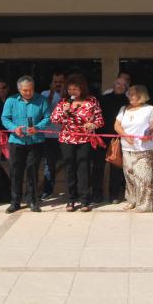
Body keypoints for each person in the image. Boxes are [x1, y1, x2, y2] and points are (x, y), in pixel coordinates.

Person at [50, 73, 104, 212]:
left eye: (75, 89)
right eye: (70, 89)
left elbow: (99, 120)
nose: (72, 92)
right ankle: (71, 199)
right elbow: (54, 119)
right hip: (67, 139)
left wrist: (93, 125)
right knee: (70, 168)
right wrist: (65, 112)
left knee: (84, 168)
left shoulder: (91, 100)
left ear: (82, 88)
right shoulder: (63, 102)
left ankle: (85, 200)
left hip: (85, 139)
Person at [1, 76, 52, 213]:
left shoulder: (41, 100)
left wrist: (38, 127)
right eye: (25, 90)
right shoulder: (11, 100)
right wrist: (13, 128)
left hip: (35, 141)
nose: (28, 93)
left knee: (33, 172)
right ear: (19, 90)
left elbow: (48, 117)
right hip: (16, 142)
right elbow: (5, 118)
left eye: (30, 90)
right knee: (16, 172)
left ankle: (32, 201)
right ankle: (15, 201)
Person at [115, 84, 153, 212]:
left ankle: (144, 205)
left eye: (133, 94)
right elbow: (117, 125)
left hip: (145, 148)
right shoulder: (124, 109)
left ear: (141, 95)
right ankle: (132, 200)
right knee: (129, 176)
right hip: (127, 147)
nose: (130, 96)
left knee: (144, 177)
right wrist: (125, 135)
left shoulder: (149, 109)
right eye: (129, 94)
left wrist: (149, 135)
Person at [95, 77, 129, 203]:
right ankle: (96, 194)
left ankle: (114, 195)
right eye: (118, 84)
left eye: (124, 85)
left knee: (116, 168)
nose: (120, 86)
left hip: (118, 138)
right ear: (113, 85)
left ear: (126, 88)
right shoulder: (103, 99)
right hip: (101, 137)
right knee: (98, 167)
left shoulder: (128, 102)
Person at [41, 71, 66, 199]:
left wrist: (63, 94)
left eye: (60, 82)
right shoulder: (45, 94)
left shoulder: (69, 94)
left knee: (68, 164)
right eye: (55, 82)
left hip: (64, 135)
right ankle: (48, 190)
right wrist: (52, 93)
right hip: (48, 136)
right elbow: (45, 108)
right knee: (48, 164)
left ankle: (71, 191)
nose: (58, 84)